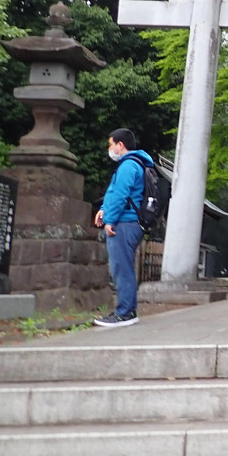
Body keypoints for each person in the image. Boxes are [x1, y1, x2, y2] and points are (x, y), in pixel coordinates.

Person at [93, 128, 154, 328]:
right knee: (123, 267)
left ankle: (124, 313)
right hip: (129, 221)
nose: (109, 148)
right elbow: (115, 194)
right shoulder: (135, 164)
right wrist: (104, 209)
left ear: (120, 145)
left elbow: (120, 194)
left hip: (125, 223)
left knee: (122, 268)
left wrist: (109, 219)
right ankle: (127, 310)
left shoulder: (128, 165)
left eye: (111, 144)